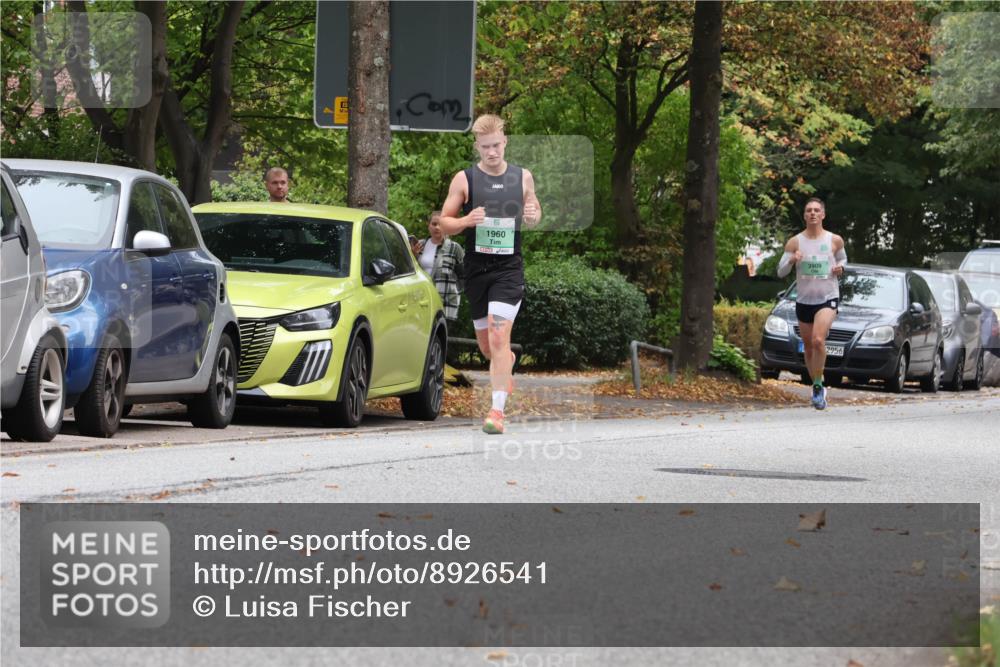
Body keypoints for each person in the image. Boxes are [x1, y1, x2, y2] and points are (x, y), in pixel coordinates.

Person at [438, 114, 541, 434]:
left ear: (505, 142)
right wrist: (467, 221)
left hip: (508, 270)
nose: (492, 152)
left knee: (498, 337)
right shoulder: (465, 179)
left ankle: (496, 413)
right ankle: (505, 364)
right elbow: (443, 222)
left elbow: (535, 212)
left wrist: (532, 212)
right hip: (477, 271)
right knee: (488, 349)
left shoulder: (522, 177)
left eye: (496, 145)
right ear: (477, 147)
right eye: (485, 147)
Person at [777, 197, 847, 410]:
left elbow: (843, 260)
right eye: (809, 210)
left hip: (828, 297)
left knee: (818, 340)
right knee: (808, 346)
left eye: (817, 210)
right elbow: (781, 271)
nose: (813, 213)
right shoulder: (795, 242)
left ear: (823, 215)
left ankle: (819, 384)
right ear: (805, 216)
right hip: (804, 299)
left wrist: (840, 269)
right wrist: (791, 260)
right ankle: (816, 384)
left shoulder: (834, 240)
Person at [415, 211, 465, 321]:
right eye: (434, 224)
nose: (437, 227)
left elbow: (463, 275)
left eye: (441, 225)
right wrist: (414, 255)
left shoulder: (455, 248)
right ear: (428, 225)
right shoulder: (419, 245)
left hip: (445, 302)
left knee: (440, 335)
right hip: (423, 300)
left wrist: (454, 291)